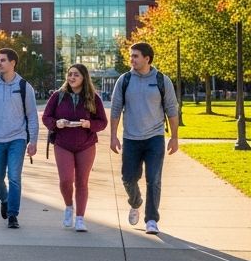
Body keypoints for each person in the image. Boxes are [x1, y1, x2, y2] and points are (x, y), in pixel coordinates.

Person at [109, 42, 179, 235]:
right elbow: (115, 110)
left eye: (135, 56)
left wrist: (174, 137)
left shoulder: (161, 80)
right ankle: (135, 201)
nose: (131, 59)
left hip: (154, 137)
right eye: (131, 56)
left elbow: (172, 110)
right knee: (128, 178)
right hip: (131, 138)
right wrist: (113, 136)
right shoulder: (124, 80)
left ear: (147, 58)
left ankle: (151, 220)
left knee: (153, 179)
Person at [0, 47, 38, 229]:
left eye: (3, 60)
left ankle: (13, 215)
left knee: (14, 177)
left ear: (13, 63)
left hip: (17, 139)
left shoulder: (24, 87)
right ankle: (4, 199)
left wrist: (33, 140)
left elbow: (32, 115)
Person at [42, 63, 107, 232]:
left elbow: (102, 122)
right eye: (70, 74)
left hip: (86, 145)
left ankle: (80, 218)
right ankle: (69, 206)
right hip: (63, 144)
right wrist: (56, 123)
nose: (72, 77)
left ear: (83, 77)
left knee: (81, 182)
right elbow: (46, 117)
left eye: (76, 74)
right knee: (65, 180)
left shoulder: (93, 97)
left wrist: (89, 124)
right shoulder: (58, 96)